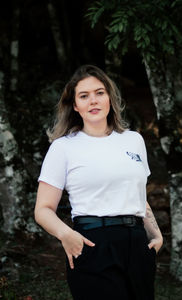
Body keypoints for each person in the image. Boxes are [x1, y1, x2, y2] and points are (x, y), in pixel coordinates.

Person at [34, 64, 163, 300]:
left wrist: (155, 233)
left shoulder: (134, 140)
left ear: (110, 98)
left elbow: (137, 197)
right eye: (84, 96)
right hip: (93, 244)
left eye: (99, 93)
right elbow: (43, 210)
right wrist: (66, 234)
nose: (93, 100)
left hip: (137, 245)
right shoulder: (63, 147)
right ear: (75, 105)